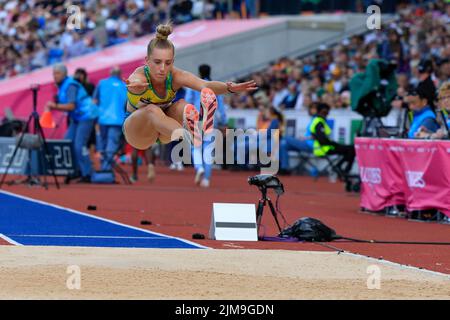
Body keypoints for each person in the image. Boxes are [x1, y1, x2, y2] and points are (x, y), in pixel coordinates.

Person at [123, 22, 257, 155]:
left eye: (168, 63)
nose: (162, 68)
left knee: (182, 105)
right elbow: (135, 82)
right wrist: (134, 86)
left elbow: (206, 86)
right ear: (147, 60)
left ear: (173, 62)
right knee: (151, 109)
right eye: (157, 62)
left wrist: (230, 88)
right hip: (139, 133)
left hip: (166, 130)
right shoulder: (140, 77)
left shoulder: (176, 76)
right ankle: (190, 135)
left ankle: (196, 129)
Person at [45, 63, 97, 183]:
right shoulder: (62, 86)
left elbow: (71, 106)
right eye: (53, 73)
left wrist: (54, 106)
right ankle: (75, 170)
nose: (55, 76)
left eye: (57, 73)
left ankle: (87, 173)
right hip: (77, 117)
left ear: (64, 74)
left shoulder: (70, 86)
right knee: (67, 143)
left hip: (86, 115)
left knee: (79, 145)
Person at [184, 64, 227, 188]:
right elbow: (221, 106)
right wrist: (224, 120)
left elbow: (188, 102)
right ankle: (207, 179)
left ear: (199, 73)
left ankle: (199, 168)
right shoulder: (215, 86)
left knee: (195, 147)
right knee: (208, 149)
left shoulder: (194, 85)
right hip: (211, 120)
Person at [93, 66, 127, 171]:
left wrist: (94, 117)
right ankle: (106, 168)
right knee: (112, 143)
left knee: (102, 143)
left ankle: (104, 166)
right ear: (120, 74)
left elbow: (94, 101)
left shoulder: (101, 83)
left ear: (110, 74)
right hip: (118, 119)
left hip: (102, 118)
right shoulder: (124, 86)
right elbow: (127, 104)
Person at [310, 103, 355, 175]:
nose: (327, 114)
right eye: (325, 112)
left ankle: (340, 167)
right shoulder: (319, 123)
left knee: (350, 149)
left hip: (325, 147)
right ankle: (342, 169)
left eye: (327, 112)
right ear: (320, 112)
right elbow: (322, 140)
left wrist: (335, 144)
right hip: (323, 148)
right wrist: (335, 144)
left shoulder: (319, 121)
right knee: (351, 149)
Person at [279, 103, 317, 173]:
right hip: (306, 143)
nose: (311, 110)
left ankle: (282, 166)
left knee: (285, 137)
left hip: (310, 145)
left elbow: (317, 136)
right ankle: (284, 168)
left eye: (313, 108)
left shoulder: (318, 120)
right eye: (311, 108)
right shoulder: (313, 119)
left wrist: (305, 138)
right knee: (283, 145)